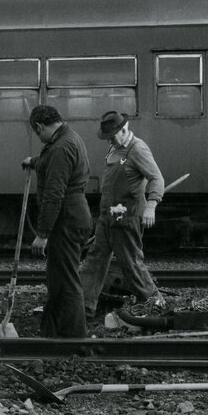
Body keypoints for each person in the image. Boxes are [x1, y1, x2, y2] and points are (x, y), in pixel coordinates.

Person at [81, 111, 166, 325]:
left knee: (131, 264)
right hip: (108, 217)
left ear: (124, 130)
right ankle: (83, 309)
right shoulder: (114, 147)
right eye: (107, 135)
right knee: (94, 261)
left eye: (112, 135)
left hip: (126, 218)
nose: (109, 139)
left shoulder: (137, 149)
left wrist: (152, 205)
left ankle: (156, 304)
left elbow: (156, 178)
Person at [21, 105, 92, 338]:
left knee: (67, 281)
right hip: (72, 215)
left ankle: (74, 339)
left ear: (40, 126)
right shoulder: (66, 139)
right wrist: (34, 161)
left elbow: (54, 194)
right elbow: (49, 160)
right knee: (57, 279)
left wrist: (42, 234)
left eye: (37, 134)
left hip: (67, 218)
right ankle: (52, 334)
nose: (39, 139)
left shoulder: (61, 147)